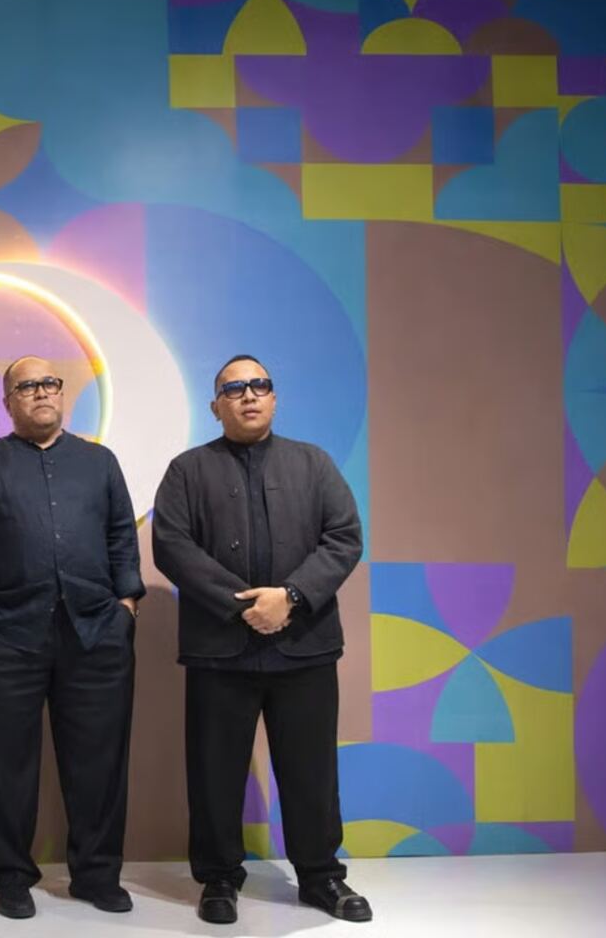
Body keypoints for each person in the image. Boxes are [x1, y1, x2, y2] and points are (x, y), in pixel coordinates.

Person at [152, 354, 371, 926]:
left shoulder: (313, 463)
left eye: (260, 385)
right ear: (215, 406)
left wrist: (291, 597)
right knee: (214, 772)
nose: (249, 395)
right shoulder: (187, 471)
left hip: (305, 646)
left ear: (274, 398)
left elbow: (344, 537)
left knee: (311, 771)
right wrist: (245, 606)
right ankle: (219, 878)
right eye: (235, 388)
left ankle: (320, 876)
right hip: (218, 649)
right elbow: (171, 546)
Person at [0, 355, 144, 919]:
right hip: (6, 634)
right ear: (8, 401)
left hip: (97, 632)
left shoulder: (100, 462)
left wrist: (126, 609)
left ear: (62, 394)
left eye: (50, 383)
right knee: (5, 764)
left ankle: (97, 875)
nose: (41, 392)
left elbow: (121, 539)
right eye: (27, 385)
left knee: (99, 762)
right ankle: (11, 878)